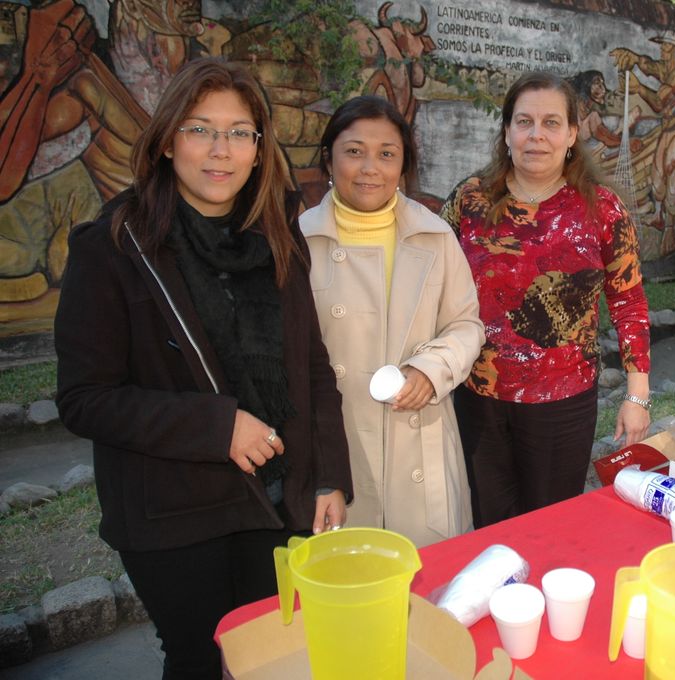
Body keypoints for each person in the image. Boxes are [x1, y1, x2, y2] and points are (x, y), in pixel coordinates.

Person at [54, 58, 352, 680]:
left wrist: (329, 476)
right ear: (167, 141)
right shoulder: (114, 246)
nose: (221, 150)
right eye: (200, 129)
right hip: (174, 511)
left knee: (268, 655)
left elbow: (312, 365)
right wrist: (218, 426)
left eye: (240, 132)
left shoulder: (277, 235)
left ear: (258, 148)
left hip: (274, 498)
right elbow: (85, 398)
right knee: (200, 660)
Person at [440, 71, 651, 528]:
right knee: (488, 523)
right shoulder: (470, 200)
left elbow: (629, 301)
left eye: (551, 123)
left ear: (572, 134)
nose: (536, 135)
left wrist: (638, 394)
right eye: (525, 121)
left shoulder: (602, 208)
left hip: (563, 402)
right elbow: (433, 278)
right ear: (507, 131)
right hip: (479, 396)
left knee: (550, 524)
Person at [300, 95, 483, 547]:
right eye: (354, 151)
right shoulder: (297, 240)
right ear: (329, 158)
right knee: (350, 577)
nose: (370, 168)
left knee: (428, 577)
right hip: (336, 449)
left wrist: (431, 369)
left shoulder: (434, 235)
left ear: (403, 165)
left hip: (419, 445)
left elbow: (466, 325)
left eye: (387, 154)